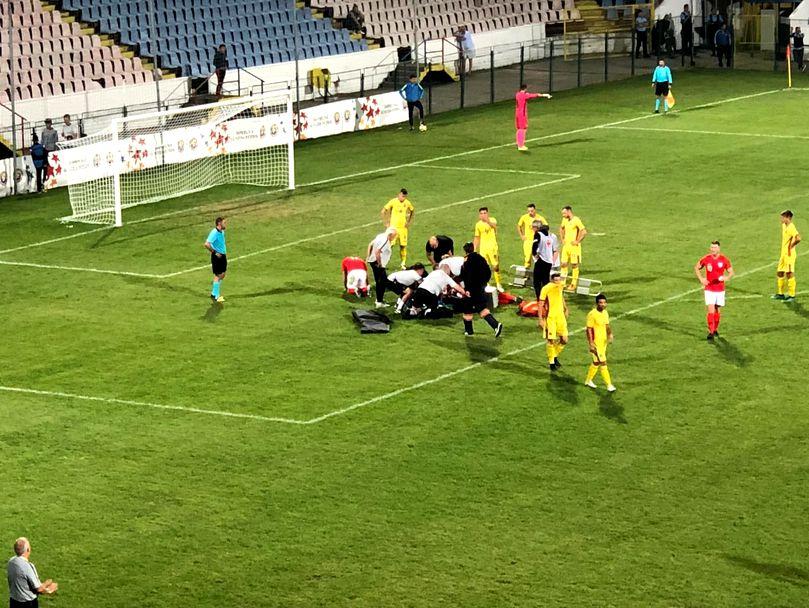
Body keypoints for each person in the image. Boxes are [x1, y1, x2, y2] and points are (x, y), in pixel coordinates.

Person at [460, 242, 503, 336]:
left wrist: (468, 289)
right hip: (480, 288)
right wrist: (484, 283)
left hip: (471, 290)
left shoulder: (467, 261)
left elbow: (467, 277)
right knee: (482, 309)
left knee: (467, 310)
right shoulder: (481, 258)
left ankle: (469, 331)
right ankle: (495, 325)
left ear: (465, 251)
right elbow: (488, 272)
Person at [694, 240, 734, 340]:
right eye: (711, 247)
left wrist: (726, 278)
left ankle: (715, 329)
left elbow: (731, 272)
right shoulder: (706, 258)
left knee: (717, 309)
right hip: (709, 288)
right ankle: (711, 332)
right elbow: (697, 267)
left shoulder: (724, 259)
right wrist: (701, 279)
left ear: (719, 248)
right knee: (711, 309)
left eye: (715, 247)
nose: (713, 249)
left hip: (720, 289)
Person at [7, 537, 58, 607]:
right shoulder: (27, 566)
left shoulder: (11, 561)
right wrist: (48, 589)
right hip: (27, 603)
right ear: (28, 549)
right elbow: (38, 589)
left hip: (13, 601)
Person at [585, 293, 616, 392]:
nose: (602, 304)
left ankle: (588, 381)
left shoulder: (605, 313)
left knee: (596, 362)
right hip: (596, 343)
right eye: (600, 303)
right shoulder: (592, 314)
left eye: (604, 303)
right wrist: (591, 343)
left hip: (603, 342)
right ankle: (609, 385)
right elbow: (589, 329)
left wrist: (610, 334)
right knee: (603, 362)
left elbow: (607, 325)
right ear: (596, 304)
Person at [539, 272, 569, 371]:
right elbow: (540, 304)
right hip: (551, 317)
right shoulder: (546, 288)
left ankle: (554, 355)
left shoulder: (560, 286)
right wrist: (540, 319)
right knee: (551, 340)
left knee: (564, 340)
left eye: (559, 280)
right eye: (555, 280)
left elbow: (561, 296)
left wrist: (565, 308)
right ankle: (552, 363)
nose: (557, 282)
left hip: (560, 317)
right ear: (551, 280)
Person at [381, 188, 414, 269]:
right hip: (393, 228)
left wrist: (409, 222)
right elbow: (383, 211)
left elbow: (412, 210)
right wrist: (386, 222)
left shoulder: (407, 203)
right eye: (402, 196)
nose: (403, 198)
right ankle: (383, 263)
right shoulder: (393, 201)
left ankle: (403, 264)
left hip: (403, 229)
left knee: (403, 246)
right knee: (389, 246)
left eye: (405, 197)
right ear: (399, 194)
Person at [473, 207, 503, 292]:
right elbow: (477, 237)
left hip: (493, 247)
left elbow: (495, 227)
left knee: (495, 266)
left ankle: (498, 284)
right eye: (481, 213)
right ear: (479, 215)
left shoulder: (492, 220)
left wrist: (488, 221)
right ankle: (487, 283)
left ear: (488, 213)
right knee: (484, 267)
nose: (483, 215)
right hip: (483, 248)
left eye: (485, 213)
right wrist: (474, 248)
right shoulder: (478, 224)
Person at [514, 83, 552, 151]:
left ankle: (519, 143)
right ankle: (521, 146)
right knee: (523, 129)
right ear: (525, 88)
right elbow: (535, 95)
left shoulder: (517, 94)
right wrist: (545, 95)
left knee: (519, 129)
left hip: (517, 113)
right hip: (522, 114)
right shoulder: (524, 95)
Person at [773, 210, 801, 301]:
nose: (781, 219)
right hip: (783, 254)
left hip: (789, 254)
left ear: (788, 217)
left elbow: (798, 238)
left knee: (789, 273)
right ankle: (780, 294)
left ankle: (792, 295)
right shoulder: (784, 225)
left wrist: (792, 245)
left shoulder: (791, 227)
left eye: (782, 217)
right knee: (780, 272)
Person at [366, 227, 397, 308]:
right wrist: (379, 263)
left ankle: (379, 300)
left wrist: (368, 256)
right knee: (382, 282)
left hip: (373, 261)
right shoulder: (385, 240)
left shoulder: (380, 235)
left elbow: (370, 244)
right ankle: (379, 302)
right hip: (377, 263)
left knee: (380, 282)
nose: (394, 238)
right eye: (394, 236)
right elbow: (377, 252)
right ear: (390, 235)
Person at [559, 205, 587, 292]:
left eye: (564, 213)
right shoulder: (564, 220)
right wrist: (562, 239)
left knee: (574, 265)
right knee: (563, 264)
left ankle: (573, 284)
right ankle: (562, 283)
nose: (563, 215)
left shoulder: (576, 220)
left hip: (574, 247)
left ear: (569, 211)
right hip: (566, 246)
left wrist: (577, 241)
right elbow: (561, 228)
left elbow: (584, 231)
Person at [532, 222, 559, 298]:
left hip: (541, 260)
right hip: (549, 262)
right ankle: (547, 298)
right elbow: (554, 250)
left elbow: (535, 245)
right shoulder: (550, 237)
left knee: (537, 281)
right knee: (545, 281)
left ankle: (539, 299)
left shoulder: (538, 234)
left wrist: (534, 254)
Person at [205, 216, 227, 303]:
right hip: (217, 256)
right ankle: (216, 296)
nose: (225, 224)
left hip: (222, 256)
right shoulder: (214, 232)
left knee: (222, 274)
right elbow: (207, 244)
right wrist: (215, 252)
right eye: (224, 223)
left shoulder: (222, 232)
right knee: (218, 275)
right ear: (219, 223)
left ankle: (214, 293)